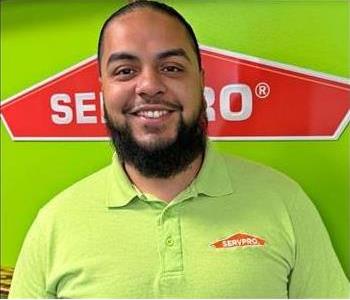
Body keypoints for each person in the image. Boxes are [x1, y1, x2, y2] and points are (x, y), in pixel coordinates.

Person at [8, 1, 349, 298]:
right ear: (102, 89)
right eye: (125, 71)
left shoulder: (284, 202)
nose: (150, 86)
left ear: (201, 81)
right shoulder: (55, 224)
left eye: (171, 68)